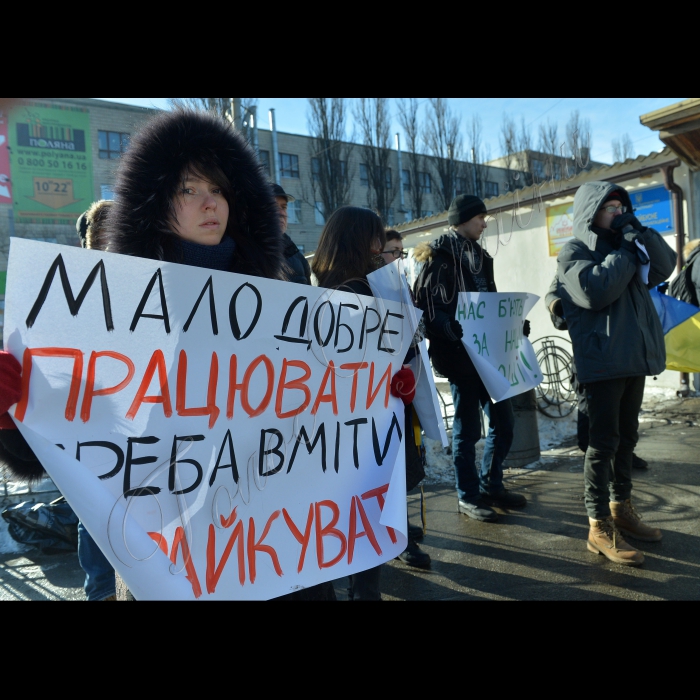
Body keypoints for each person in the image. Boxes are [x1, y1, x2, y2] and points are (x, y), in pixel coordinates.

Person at [0, 108, 334, 600]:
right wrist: (16, 408)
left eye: (218, 189)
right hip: (170, 560)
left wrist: (373, 390)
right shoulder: (112, 310)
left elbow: (316, 419)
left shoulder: (277, 306)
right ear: (156, 203)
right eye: (189, 189)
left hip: (273, 551)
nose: (209, 202)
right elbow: (79, 445)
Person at [556, 182, 676, 566]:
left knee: (627, 439)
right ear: (591, 212)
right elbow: (595, 291)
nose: (618, 212)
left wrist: (637, 232)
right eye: (610, 207)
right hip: (602, 362)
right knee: (603, 443)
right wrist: (625, 251)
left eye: (622, 205)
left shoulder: (628, 242)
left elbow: (665, 264)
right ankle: (598, 524)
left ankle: (621, 506)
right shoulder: (576, 250)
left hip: (633, 357)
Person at [312, 206, 425, 596]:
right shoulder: (357, 292)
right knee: (366, 515)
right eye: (376, 239)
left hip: (349, 429)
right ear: (361, 242)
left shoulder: (325, 288)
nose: (383, 248)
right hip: (361, 431)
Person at [413, 194, 527, 523]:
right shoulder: (439, 256)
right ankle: (468, 495)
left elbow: (487, 307)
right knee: (467, 432)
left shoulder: (481, 257)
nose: (485, 222)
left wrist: (514, 324)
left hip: (488, 356)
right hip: (460, 359)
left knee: (504, 424)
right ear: (463, 219)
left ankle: (491, 484)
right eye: (480, 217)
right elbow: (427, 307)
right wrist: (447, 327)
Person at [546, 274, 648, 470]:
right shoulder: (573, 264)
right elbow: (556, 312)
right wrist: (569, 308)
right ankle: (597, 479)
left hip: (625, 358)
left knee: (624, 421)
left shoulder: (624, 261)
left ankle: (622, 458)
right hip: (592, 360)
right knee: (592, 428)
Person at [272, 183, 311, 285]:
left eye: (284, 207)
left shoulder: (298, 258)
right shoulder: (245, 255)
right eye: (274, 207)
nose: (282, 213)